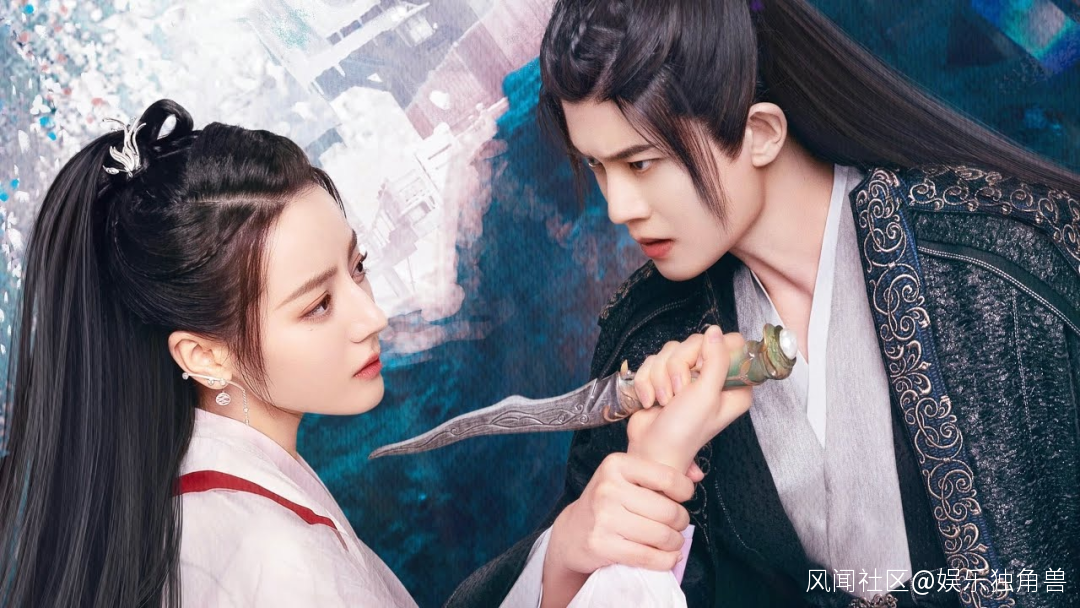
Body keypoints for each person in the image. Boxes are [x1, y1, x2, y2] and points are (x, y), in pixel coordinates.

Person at [447, 1, 1080, 607]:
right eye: (597, 167)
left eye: (639, 164)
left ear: (760, 133)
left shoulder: (993, 261)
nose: (618, 208)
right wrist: (574, 545)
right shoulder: (649, 344)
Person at [0, 99, 418, 607]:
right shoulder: (285, 565)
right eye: (318, 305)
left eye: (358, 267)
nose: (373, 317)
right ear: (204, 356)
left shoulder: (193, 505)